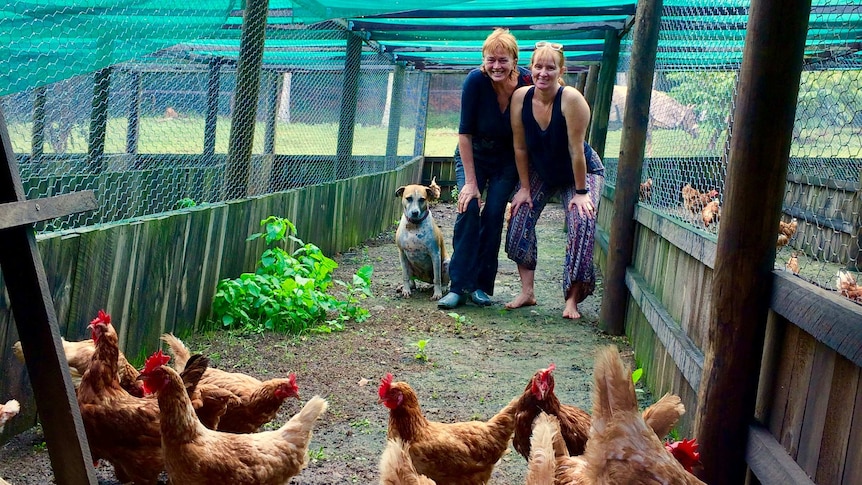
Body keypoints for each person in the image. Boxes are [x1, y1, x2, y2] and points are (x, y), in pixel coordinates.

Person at [504, 41, 605, 319]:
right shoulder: (520, 98)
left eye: (550, 67)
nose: (543, 72)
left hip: (580, 172)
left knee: (581, 220)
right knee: (520, 213)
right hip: (542, 169)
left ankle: (572, 300)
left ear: (561, 70)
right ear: (531, 68)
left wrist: (582, 192)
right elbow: (520, 147)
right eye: (538, 66)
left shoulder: (571, 99)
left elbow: (576, 150)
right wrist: (524, 188)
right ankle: (527, 291)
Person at [438, 28, 532, 309]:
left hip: (507, 159)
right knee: (468, 208)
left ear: (515, 60)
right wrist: (470, 183)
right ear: (483, 60)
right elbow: (464, 134)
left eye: (503, 60)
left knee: (493, 215)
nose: (496, 66)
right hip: (474, 154)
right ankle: (458, 286)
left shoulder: (527, 81)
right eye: (491, 60)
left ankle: (481, 286)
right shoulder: (475, 82)